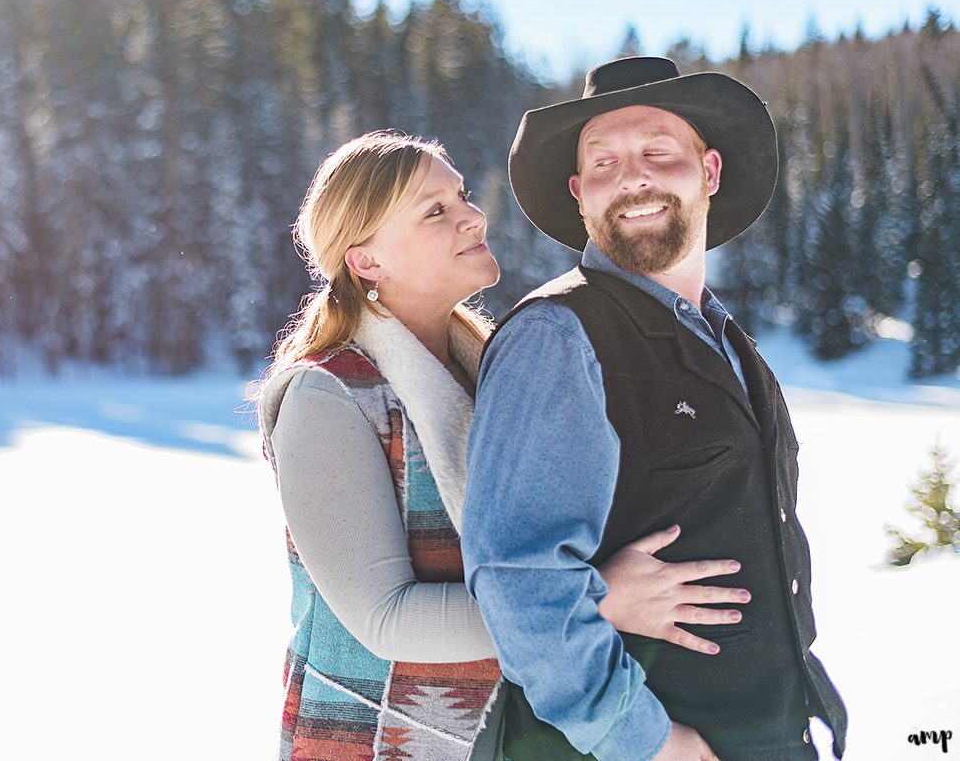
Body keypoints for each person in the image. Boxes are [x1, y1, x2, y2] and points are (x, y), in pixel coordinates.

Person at [258, 130, 757, 761]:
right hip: (379, 745)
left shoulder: (490, 371)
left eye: (461, 195)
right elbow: (385, 619)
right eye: (435, 211)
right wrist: (597, 600)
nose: (472, 215)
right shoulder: (329, 396)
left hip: (506, 738)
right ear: (365, 262)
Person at [461, 57, 849, 761]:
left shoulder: (729, 341)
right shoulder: (558, 335)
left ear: (710, 171)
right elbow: (521, 585)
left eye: (656, 152)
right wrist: (653, 742)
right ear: (580, 194)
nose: (632, 177)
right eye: (604, 162)